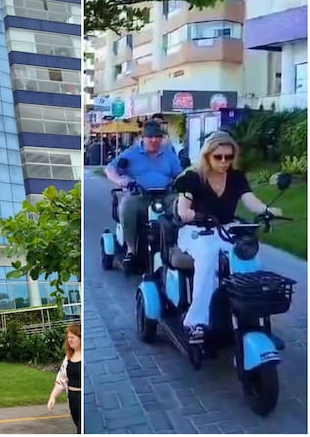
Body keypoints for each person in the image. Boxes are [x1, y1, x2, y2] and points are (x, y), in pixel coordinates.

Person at [175, 131, 282, 343]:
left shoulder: (236, 177)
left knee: (248, 258)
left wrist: (266, 210)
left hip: (226, 228)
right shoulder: (193, 177)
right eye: (218, 157)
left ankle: (252, 319)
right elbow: (183, 207)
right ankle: (197, 322)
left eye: (229, 157)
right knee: (208, 256)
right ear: (207, 156)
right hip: (196, 230)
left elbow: (251, 201)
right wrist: (187, 213)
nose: (224, 162)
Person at [105, 121, 182, 270]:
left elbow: (179, 174)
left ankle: (175, 245)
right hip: (139, 195)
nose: (154, 140)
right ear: (143, 138)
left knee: (182, 205)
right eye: (150, 137)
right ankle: (131, 250)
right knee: (127, 206)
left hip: (165, 195)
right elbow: (110, 169)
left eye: (157, 137)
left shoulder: (169, 155)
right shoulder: (131, 153)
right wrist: (121, 180)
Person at [48, 323, 82, 433]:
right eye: (68, 338)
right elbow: (61, 380)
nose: (70, 340)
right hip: (73, 400)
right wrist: (53, 397)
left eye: (72, 337)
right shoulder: (68, 357)